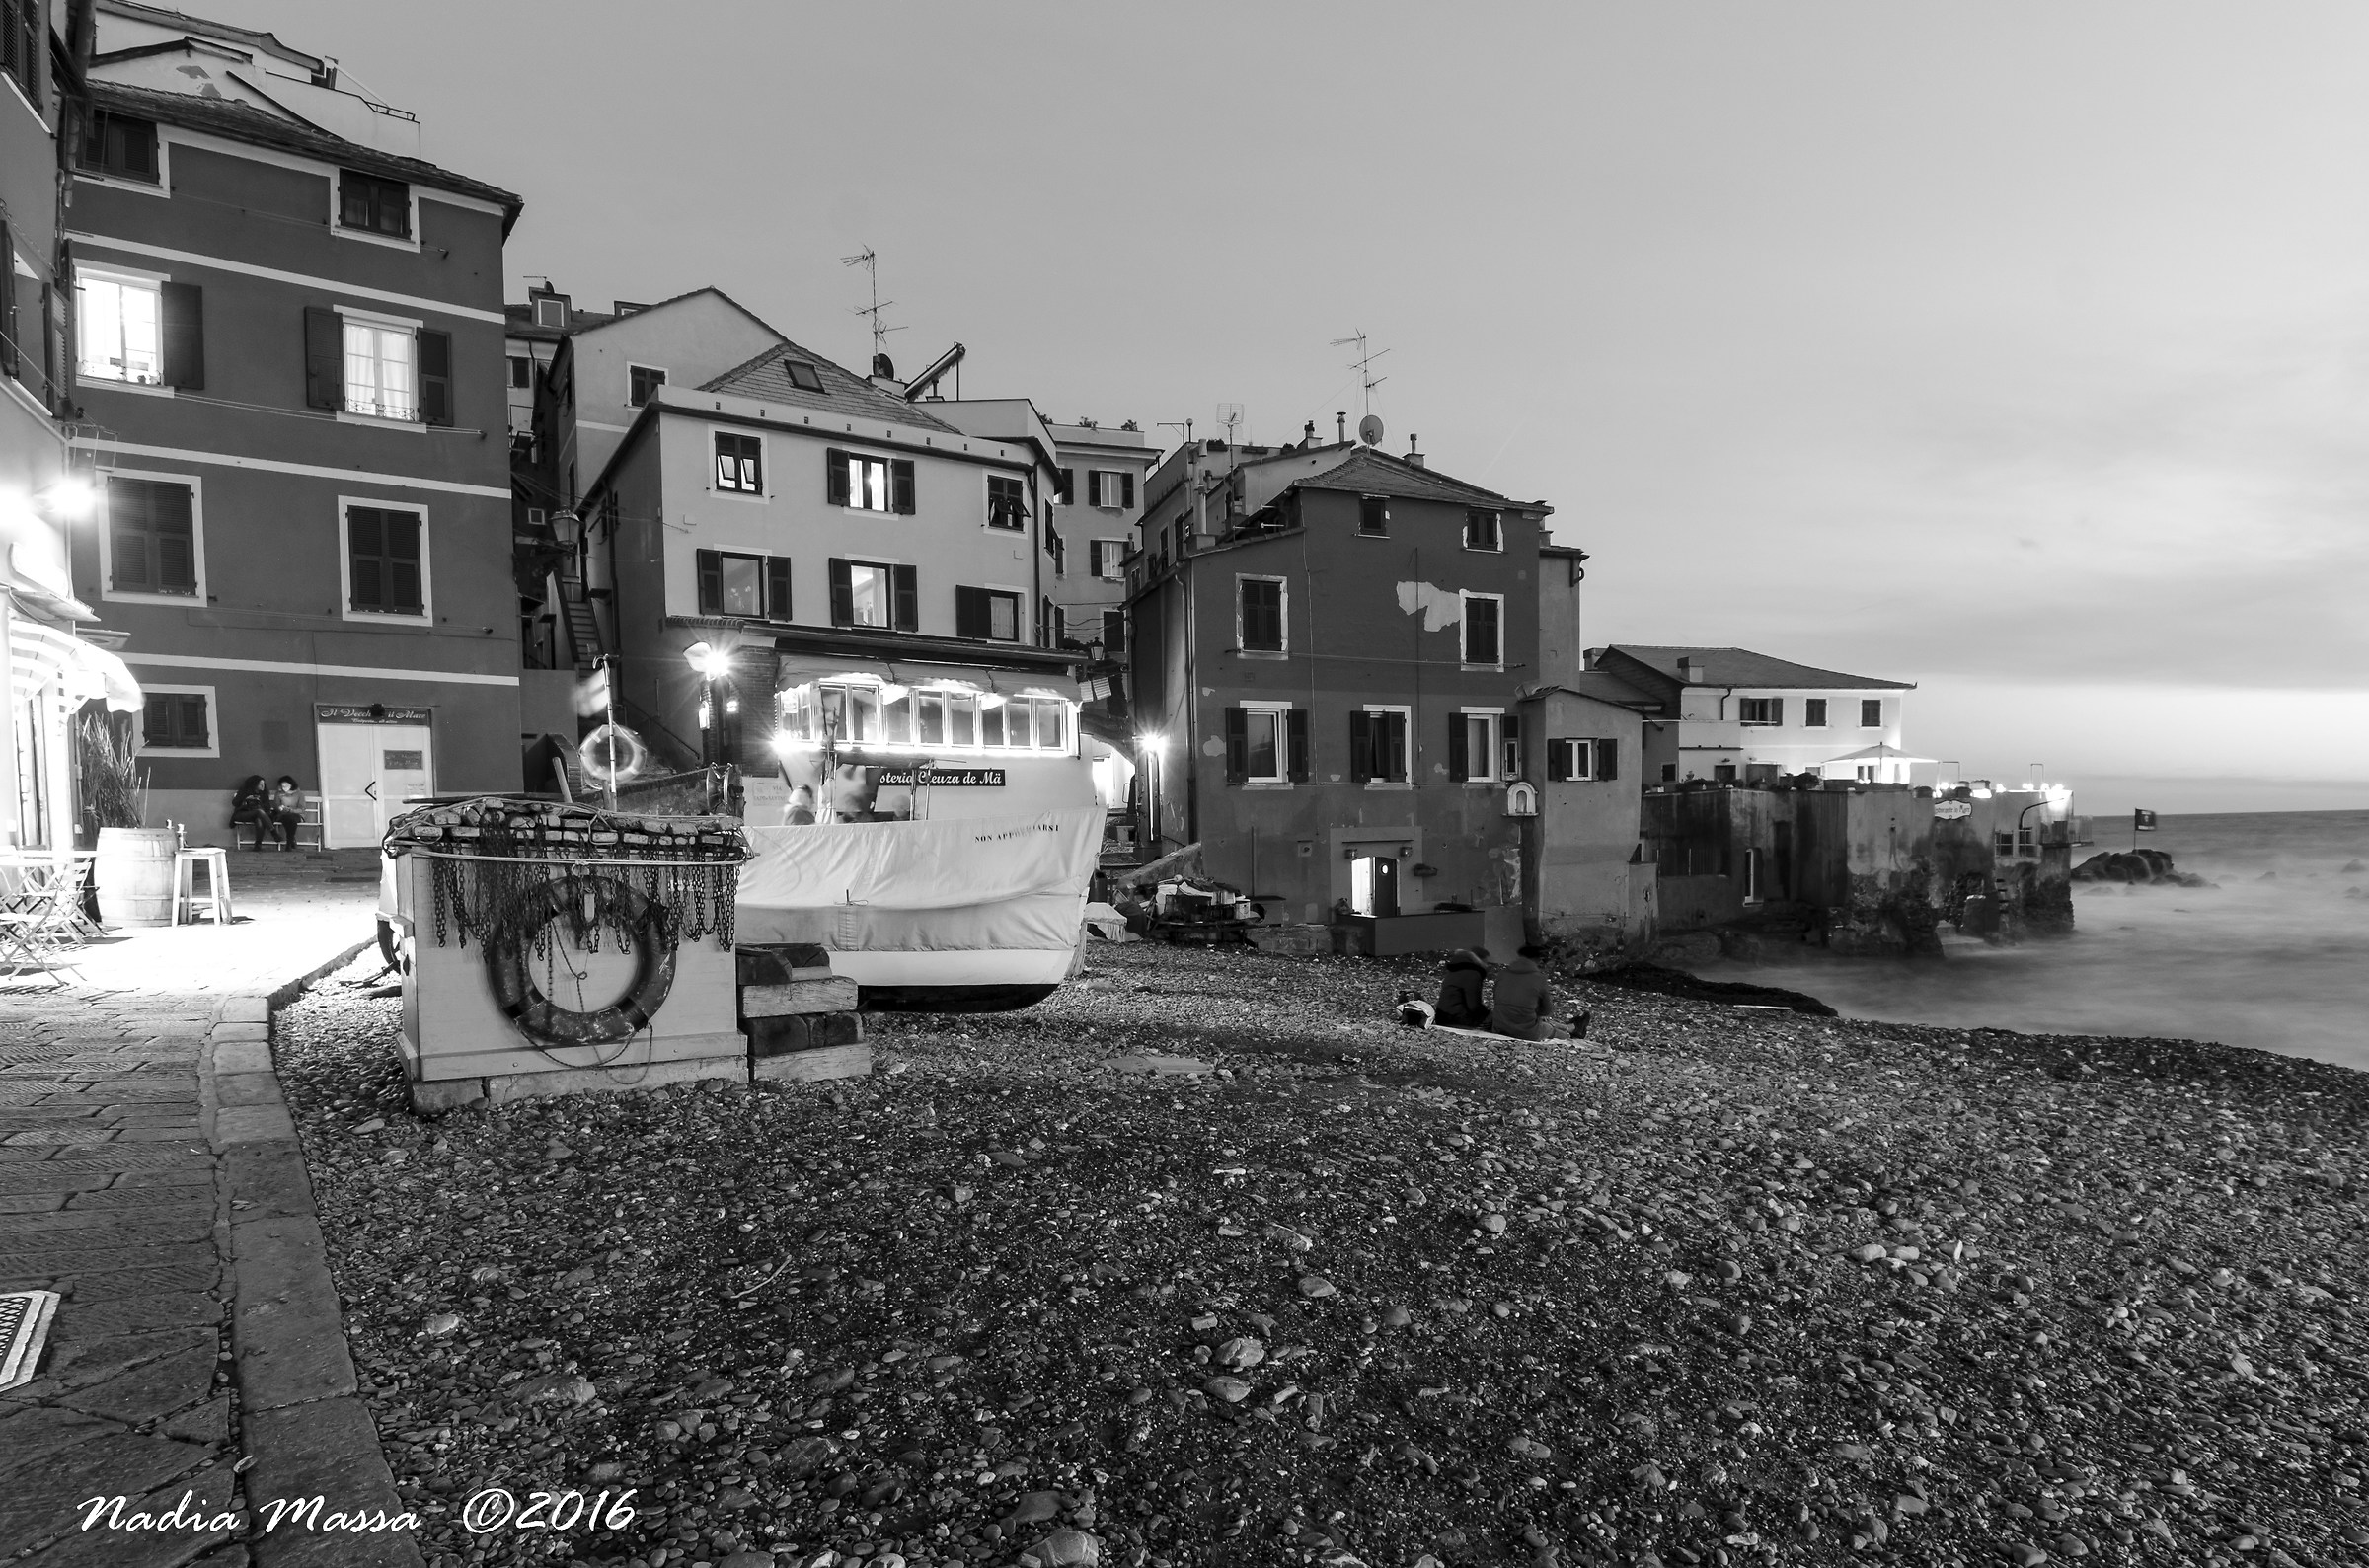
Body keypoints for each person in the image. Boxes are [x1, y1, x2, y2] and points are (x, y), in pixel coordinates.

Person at [1489, 944, 1583, 1041]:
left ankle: (1571, 1027)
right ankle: (1570, 1035)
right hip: (1524, 1032)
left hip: (1499, 1027)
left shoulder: (1503, 974)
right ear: (1537, 959)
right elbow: (1547, 1010)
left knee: (1537, 1020)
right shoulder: (1538, 978)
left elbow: (1496, 998)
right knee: (1547, 1029)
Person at [1434, 948, 1490, 1029]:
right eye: (1486, 962)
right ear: (1479, 960)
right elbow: (1473, 1006)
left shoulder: (1455, 971)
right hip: (1455, 1019)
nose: (1487, 965)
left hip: (1442, 1016)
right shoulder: (1473, 974)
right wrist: (1486, 1014)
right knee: (1494, 1018)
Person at [228, 775, 274, 851]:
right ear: (254, 784)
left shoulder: (263, 794)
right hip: (243, 814)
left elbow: (267, 808)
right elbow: (235, 803)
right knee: (259, 812)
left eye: (263, 784)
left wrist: (259, 803)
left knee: (259, 819)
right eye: (260, 784)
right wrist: (246, 799)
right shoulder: (244, 791)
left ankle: (258, 844)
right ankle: (273, 831)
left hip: (258, 815)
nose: (262, 786)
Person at [268, 776, 305, 851]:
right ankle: (290, 841)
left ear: (291, 785)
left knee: (290, 819)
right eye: (282, 786)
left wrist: (291, 810)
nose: (284, 788)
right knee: (288, 819)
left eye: (286, 786)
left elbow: (302, 809)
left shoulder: (299, 794)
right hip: (283, 814)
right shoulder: (279, 794)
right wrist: (281, 808)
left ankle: (289, 842)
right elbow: (276, 806)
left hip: (296, 815)